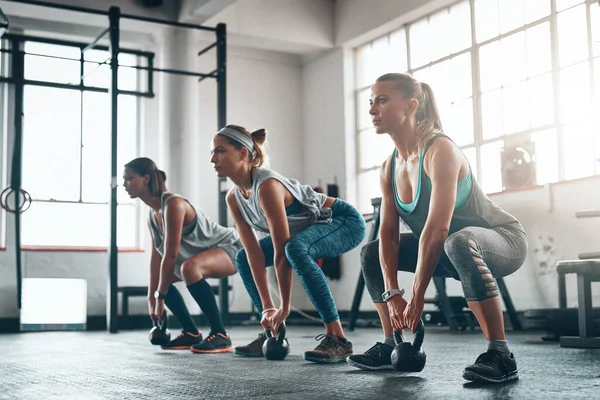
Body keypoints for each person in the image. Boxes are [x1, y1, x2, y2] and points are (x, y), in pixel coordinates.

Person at [345, 73, 528, 383]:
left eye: (383, 100)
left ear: (411, 106)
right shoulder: (390, 166)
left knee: (458, 241)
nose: (372, 109)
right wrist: (393, 294)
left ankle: (501, 354)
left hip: (502, 241)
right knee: (371, 252)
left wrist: (416, 296)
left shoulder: (439, 150)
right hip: (450, 247)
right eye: (371, 102)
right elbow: (388, 234)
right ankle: (392, 345)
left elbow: (436, 230)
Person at [210, 125, 366, 363]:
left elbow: (282, 252)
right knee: (242, 257)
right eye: (212, 152)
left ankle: (338, 339)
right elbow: (253, 253)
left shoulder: (267, 186)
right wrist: (268, 309)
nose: (213, 158)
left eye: (220, 151)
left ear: (242, 154)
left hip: (343, 221)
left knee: (294, 248)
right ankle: (270, 330)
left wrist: (284, 307)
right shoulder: (233, 197)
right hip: (304, 232)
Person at [123, 157, 242, 353]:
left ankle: (220, 334)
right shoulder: (152, 215)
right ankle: (191, 333)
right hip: (202, 256)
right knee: (166, 278)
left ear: (145, 179)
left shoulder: (174, 204)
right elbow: (157, 258)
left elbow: (170, 256)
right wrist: (151, 298)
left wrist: (160, 298)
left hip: (231, 248)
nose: (124, 185)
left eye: (129, 179)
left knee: (189, 268)